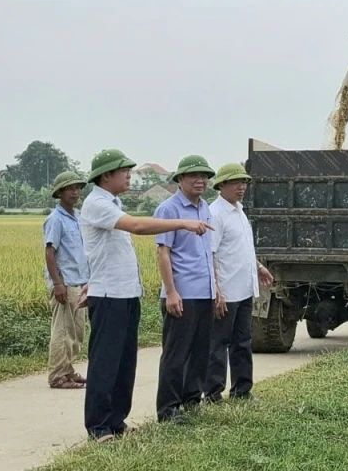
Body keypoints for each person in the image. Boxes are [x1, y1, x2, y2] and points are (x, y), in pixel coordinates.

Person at [80, 148, 212, 443]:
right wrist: (183, 223)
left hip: (124, 293)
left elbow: (103, 253)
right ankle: (98, 426)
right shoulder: (97, 203)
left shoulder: (111, 203)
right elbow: (138, 226)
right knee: (106, 361)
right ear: (105, 176)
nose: (129, 175)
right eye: (123, 171)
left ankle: (116, 421)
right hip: (109, 295)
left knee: (125, 361)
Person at [153, 155, 220, 423]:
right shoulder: (168, 209)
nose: (200, 180)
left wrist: (216, 289)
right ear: (180, 179)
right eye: (194, 175)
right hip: (182, 293)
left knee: (200, 351)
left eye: (204, 176)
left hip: (204, 292)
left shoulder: (205, 207)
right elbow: (163, 253)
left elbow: (208, 253)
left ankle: (191, 399)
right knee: (175, 353)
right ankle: (168, 408)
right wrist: (171, 292)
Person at [204, 162, 274, 403]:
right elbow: (210, 254)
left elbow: (242, 249)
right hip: (226, 291)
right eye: (235, 182)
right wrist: (217, 291)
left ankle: (242, 390)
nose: (241, 187)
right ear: (221, 185)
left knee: (243, 341)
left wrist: (259, 267)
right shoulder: (215, 214)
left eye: (243, 182)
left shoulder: (239, 211)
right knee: (218, 343)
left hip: (244, 289)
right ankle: (213, 393)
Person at [43, 170, 90, 390]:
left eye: (78, 187)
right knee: (62, 330)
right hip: (65, 282)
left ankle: (68, 370)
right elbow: (50, 252)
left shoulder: (79, 217)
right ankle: (57, 376)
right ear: (60, 192)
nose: (75, 191)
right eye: (70, 188)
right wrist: (58, 283)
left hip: (79, 282)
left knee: (76, 330)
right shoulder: (55, 219)